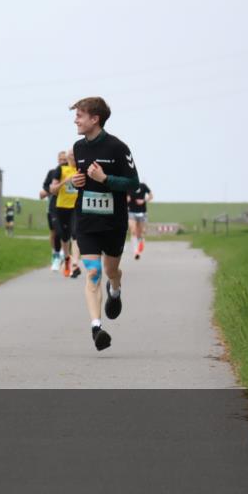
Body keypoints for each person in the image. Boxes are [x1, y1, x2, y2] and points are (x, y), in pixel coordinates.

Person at [69, 97, 140, 352]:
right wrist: (76, 182)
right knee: (92, 272)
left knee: (110, 271)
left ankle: (117, 288)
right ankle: (96, 327)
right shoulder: (77, 148)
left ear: (94, 118)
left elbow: (134, 184)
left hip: (113, 223)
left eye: (79, 115)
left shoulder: (118, 148)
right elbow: (77, 181)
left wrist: (105, 178)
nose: (75, 120)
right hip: (87, 221)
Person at [49, 151, 82, 278]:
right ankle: (67, 258)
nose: (73, 156)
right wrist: (65, 181)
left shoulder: (80, 169)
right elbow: (53, 189)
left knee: (75, 234)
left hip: (75, 206)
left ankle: (75, 263)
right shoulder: (61, 169)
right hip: (61, 206)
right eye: (71, 154)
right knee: (64, 236)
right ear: (67, 157)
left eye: (75, 154)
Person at [40, 152, 67, 270]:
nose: (62, 161)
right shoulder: (52, 172)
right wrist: (52, 190)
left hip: (65, 206)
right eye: (60, 159)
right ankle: (54, 253)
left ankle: (63, 254)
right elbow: (45, 186)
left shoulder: (69, 171)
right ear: (57, 160)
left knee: (64, 232)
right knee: (53, 232)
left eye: (64, 159)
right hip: (52, 206)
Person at [127, 182, 153, 259]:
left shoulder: (143, 186)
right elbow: (125, 197)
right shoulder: (128, 186)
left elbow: (151, 196)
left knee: (140, 233)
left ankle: (140, 243)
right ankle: (136, 251)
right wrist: (127, 199)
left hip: (142, 213)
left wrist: (144, 200)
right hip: (131, 212)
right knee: (133, 231)